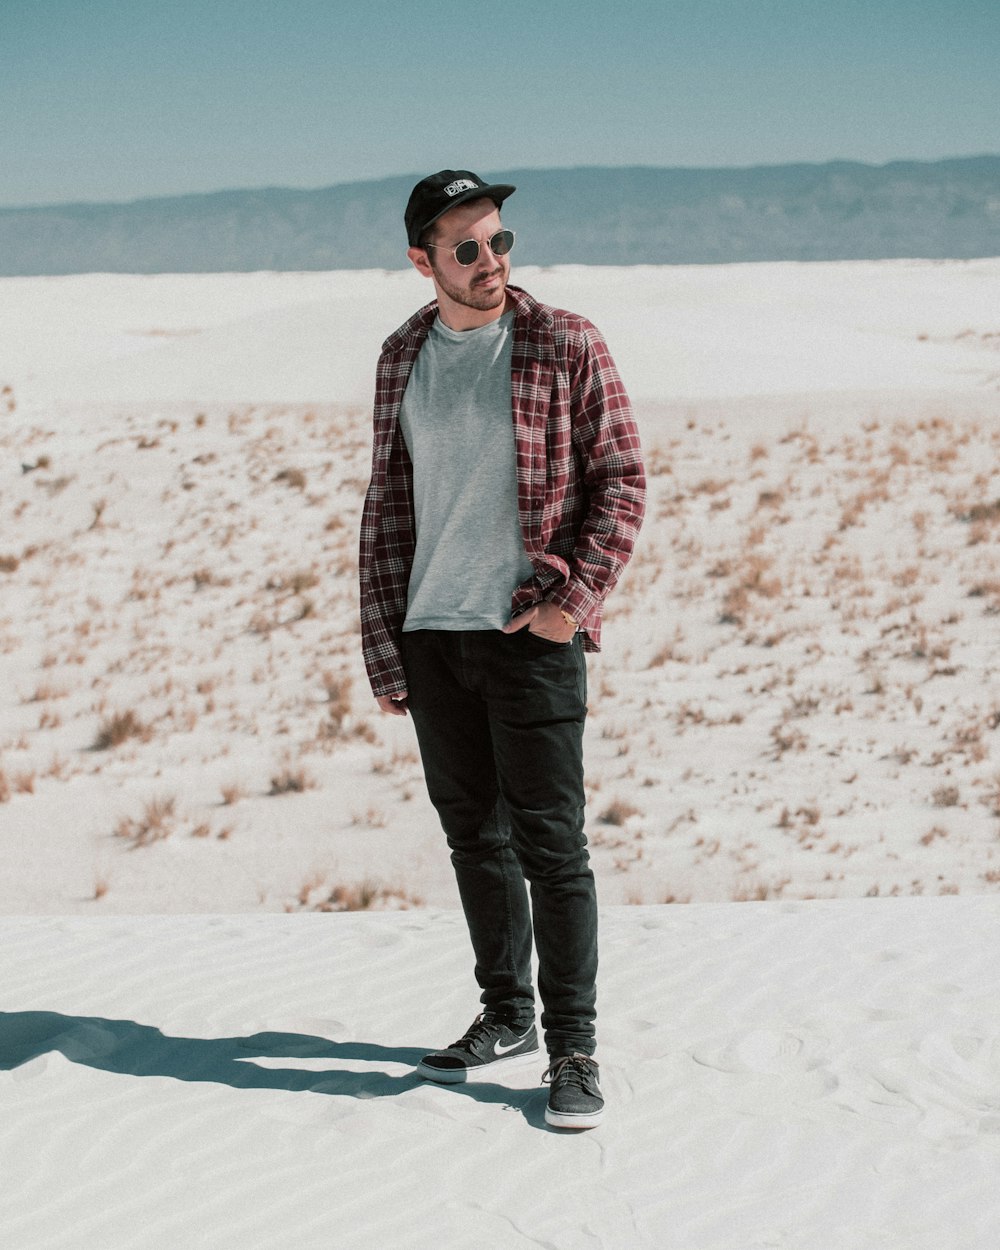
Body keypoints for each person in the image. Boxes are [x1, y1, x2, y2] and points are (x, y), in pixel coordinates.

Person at [359, 169, 645, 1129]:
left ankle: (574, 1049)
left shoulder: (564, 341)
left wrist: (578, 598)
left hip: (528, 633)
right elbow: (388, 506)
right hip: (434, 633)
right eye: (467, 249)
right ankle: (506, 1014)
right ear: (422, 261)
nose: (492, 262)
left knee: (552, 849)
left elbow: (623, 478)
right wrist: (387, 640)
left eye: (501, 241)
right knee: (473, 841)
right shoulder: (402, 354)